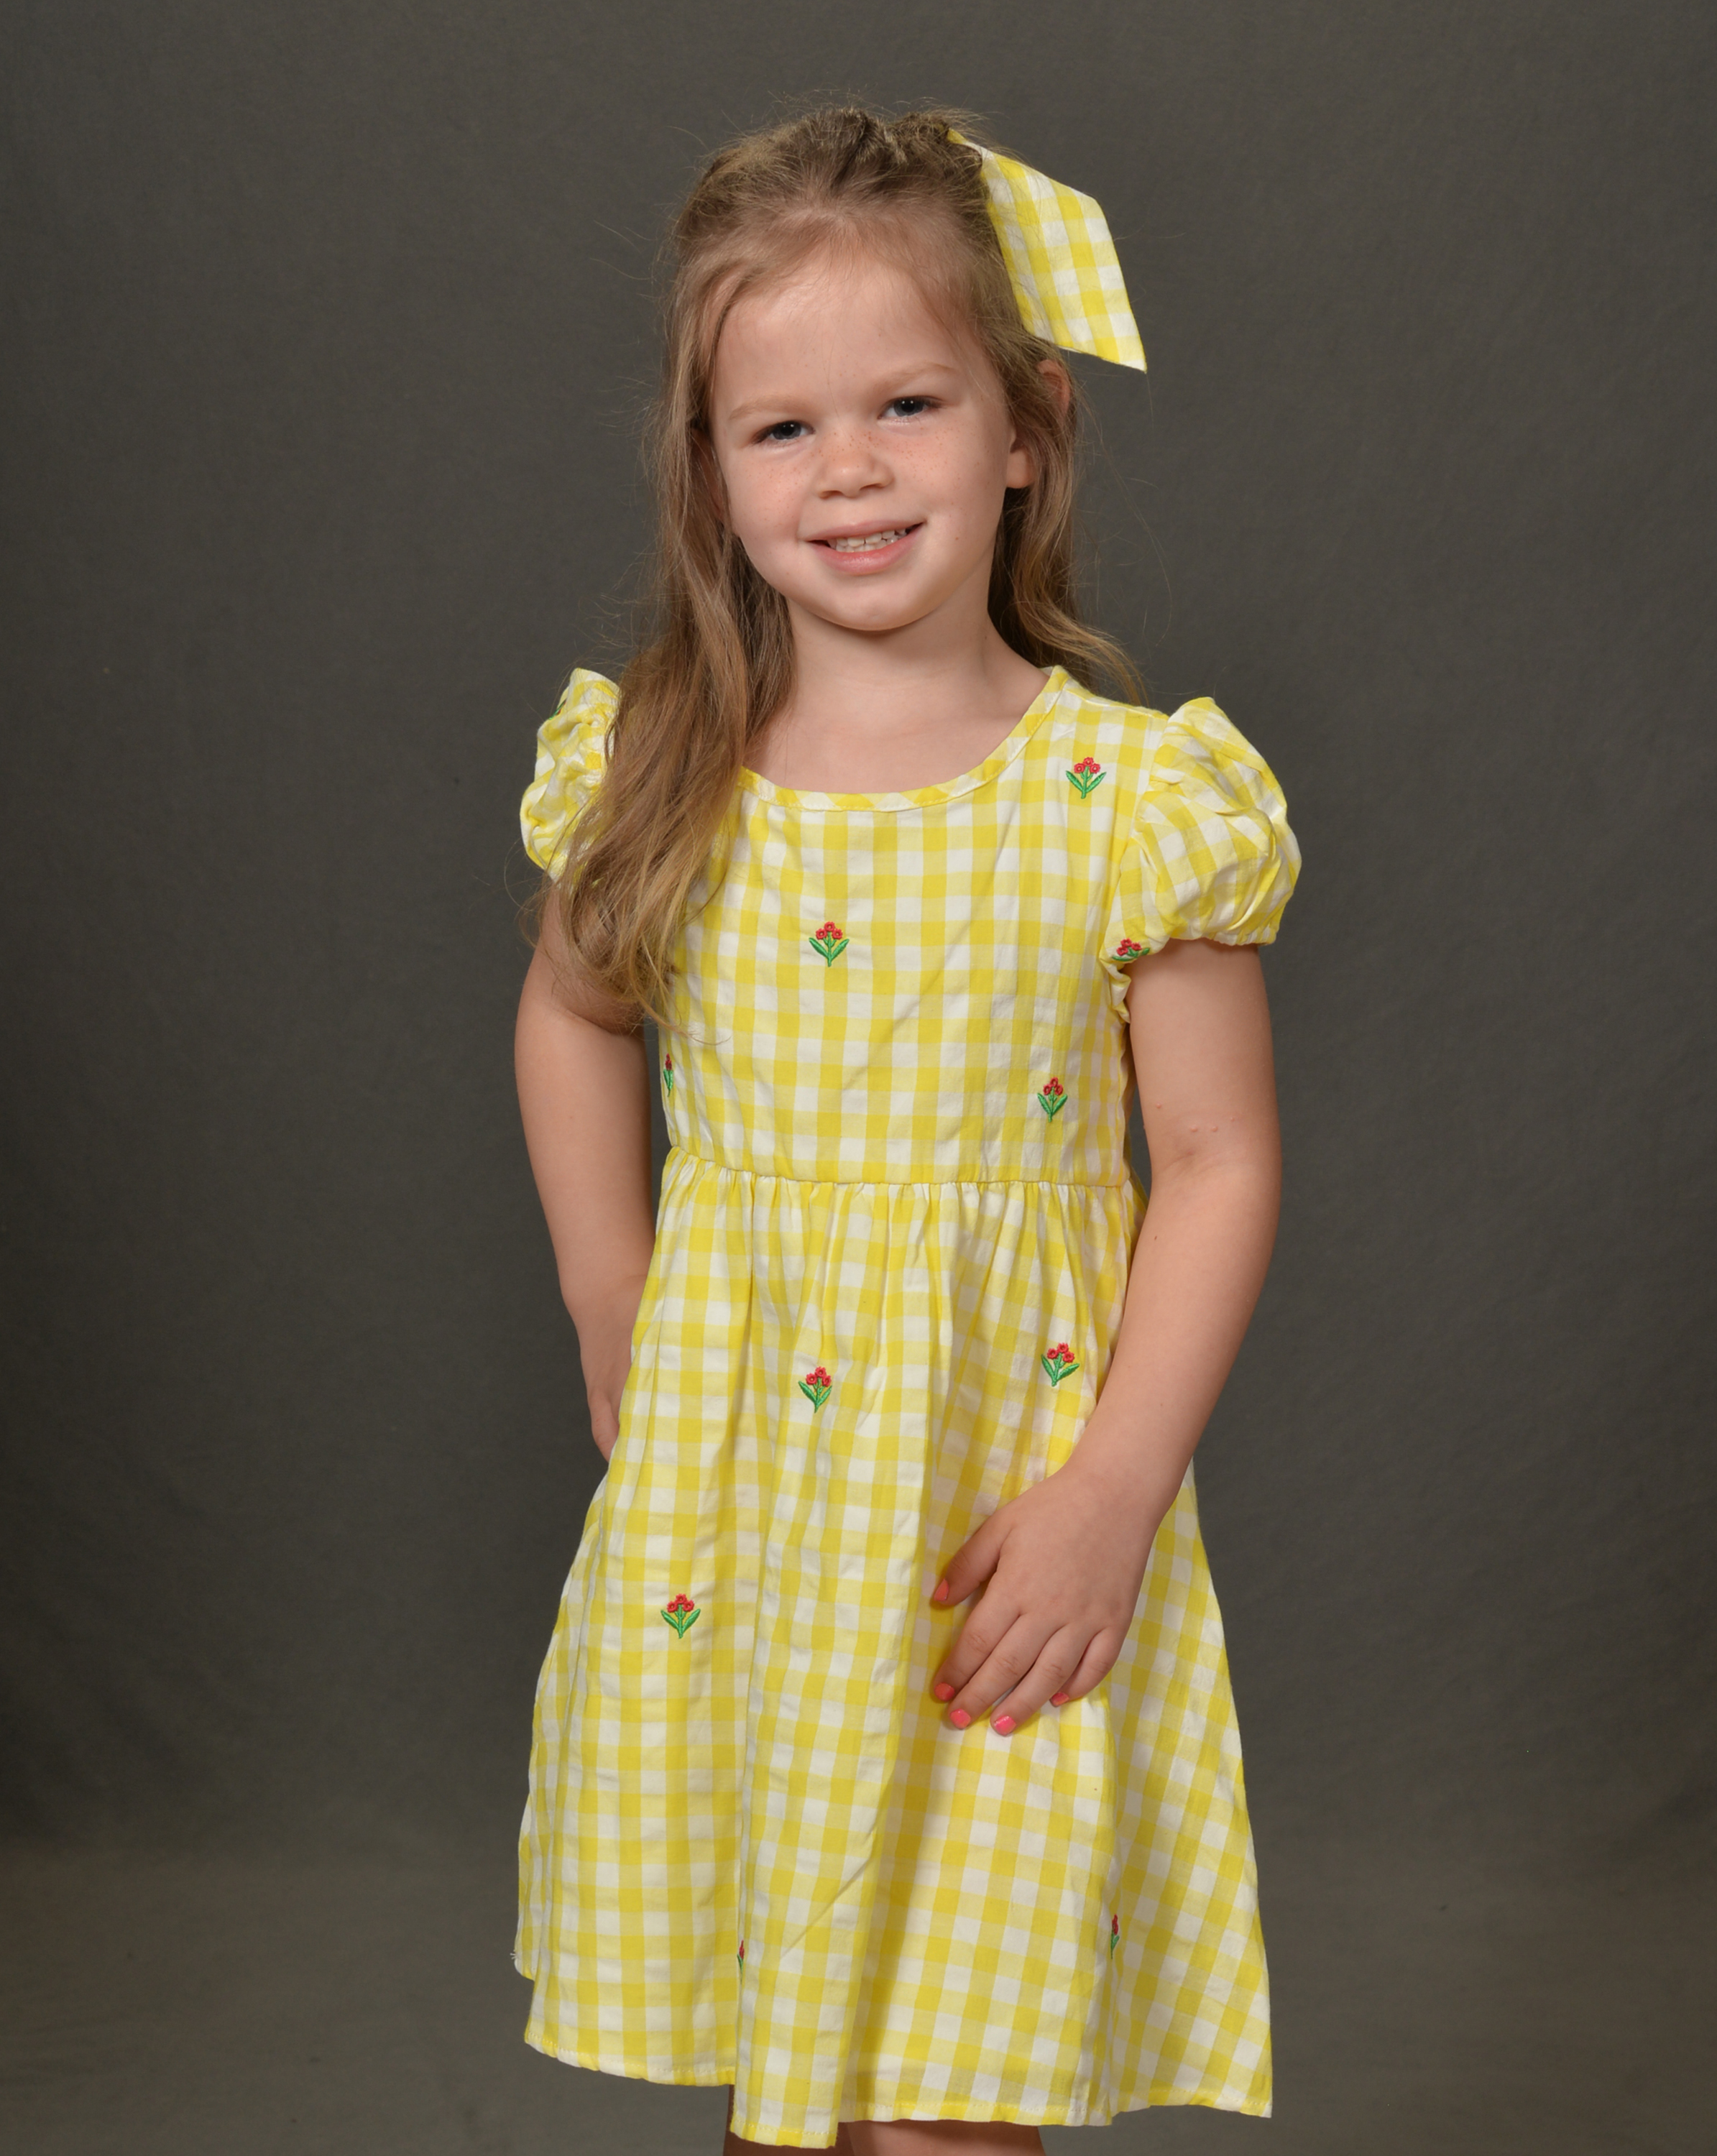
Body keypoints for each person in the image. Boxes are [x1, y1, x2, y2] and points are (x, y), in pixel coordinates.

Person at [511, 106, 1298, 2156]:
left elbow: (1219, 1162)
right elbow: (573, 1012)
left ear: (1029, 425)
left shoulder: (1129, 805)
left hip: (1002, 1519)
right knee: (794, 2079)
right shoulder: (664, 772)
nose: (848, 468)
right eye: (782, 428)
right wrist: (609, 1284)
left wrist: (1116, 1487)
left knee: (950, 2098)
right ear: (709, 468)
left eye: (908, 405)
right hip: (748, 1517)